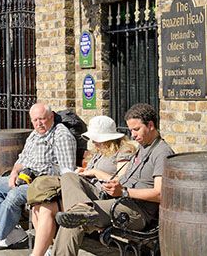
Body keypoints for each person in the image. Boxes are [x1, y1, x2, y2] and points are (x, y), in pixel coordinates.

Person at [51, 103, 174, 256]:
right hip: (117, 200)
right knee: (69, 177)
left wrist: (124, 192)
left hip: (135, 211)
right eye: (131, 130)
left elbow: (160, 194)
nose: (133, 135)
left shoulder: (161, 152)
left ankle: (81, 212)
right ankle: (82, 210)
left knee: (75, 220)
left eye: (136, 129)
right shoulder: (142, 147)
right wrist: (115, 186)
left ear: (150, 125)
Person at [0, 103, 77, 250]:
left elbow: (67, 171)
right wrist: (15, 172)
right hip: (27, 179)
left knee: (14, 195)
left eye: (42, 119)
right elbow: (22, 159)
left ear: (51, 116)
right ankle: (12, 232)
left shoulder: (61, 135)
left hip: (45, 184)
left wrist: (39, 175)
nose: (39, 123)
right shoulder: (35, 135)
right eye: (35, 120)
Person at [28, 115, 137, 256]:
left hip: (102, 196)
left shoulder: (123, 151)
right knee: (43, 208)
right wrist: (84, 172)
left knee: (67, 180)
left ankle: (82, 210)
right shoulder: (99, 152)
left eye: (97, 139)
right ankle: (45, 252)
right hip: (84, 194)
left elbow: (121, 182)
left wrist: (95, 172)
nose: (93, 142)